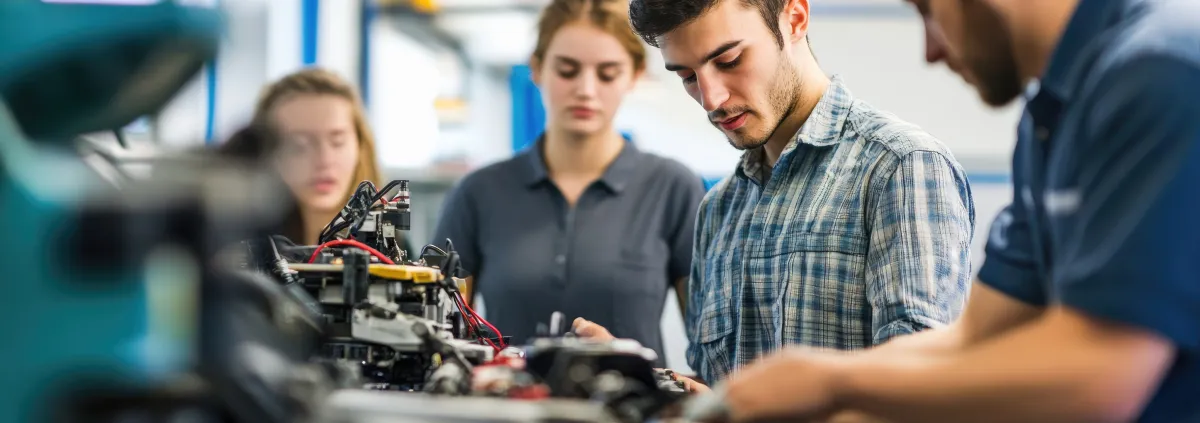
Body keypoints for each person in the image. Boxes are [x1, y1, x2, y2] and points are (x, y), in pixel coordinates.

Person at [708, 0, 1200, 422]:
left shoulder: (1161, 72)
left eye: (929, 10)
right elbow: (974, 334)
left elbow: (1101, 374)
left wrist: (835, 381)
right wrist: (796, 388)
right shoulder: (1051, 117)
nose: (931, 51)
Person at [573, 0, 975, 389]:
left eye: (729, 61)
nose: (712, 99)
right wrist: (640, 380)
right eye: (687, 77)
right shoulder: (719, 209)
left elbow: (918, 386)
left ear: (795, 18)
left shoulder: (899, 167)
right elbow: (720, 393)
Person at [431, 0, 706, 364]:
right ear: (537, 69)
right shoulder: (477, 193)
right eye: (567, 70)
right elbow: (439, 336)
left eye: (607, 73)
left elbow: (710, 346)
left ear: (635, 75)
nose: (586, 89)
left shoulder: (673, 189)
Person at [221, 67, 395, 247]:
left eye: (337, 142)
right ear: (263, 153)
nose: (324, 160)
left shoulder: (389, 242)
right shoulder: (232, 248)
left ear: (360, 145)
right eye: (299, 146)